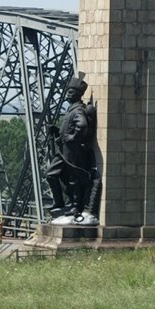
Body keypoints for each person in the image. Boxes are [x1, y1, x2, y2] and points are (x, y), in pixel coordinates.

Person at [46, 75, 101, 225]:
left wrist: (73, 137)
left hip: (72, 152)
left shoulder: (77, 110)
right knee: (51, 175)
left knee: (74, 179)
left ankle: (75, 207)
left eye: (70, 92)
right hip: (64, 151)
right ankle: (59, 203)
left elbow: (82, 125)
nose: (67, 95)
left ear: (77, 94)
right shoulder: (72, 109)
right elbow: (70, 129)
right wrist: (58, 131)